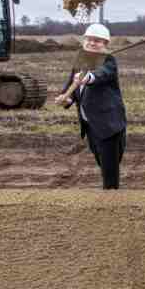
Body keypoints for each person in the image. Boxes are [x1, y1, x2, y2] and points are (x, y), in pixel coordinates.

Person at [55, 23, 127, 190]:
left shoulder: (109, 60)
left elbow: (102, 75)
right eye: (89, 39)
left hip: (109, 126)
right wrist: (66, 100)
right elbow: (72, 91)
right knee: (103, 166)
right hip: (91, 126)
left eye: (98, 41)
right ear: (84, 40)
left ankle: (112, 204)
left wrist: (88, 78)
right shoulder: (80, 60)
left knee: (110, 175)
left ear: (105, 44)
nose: (92, 43)